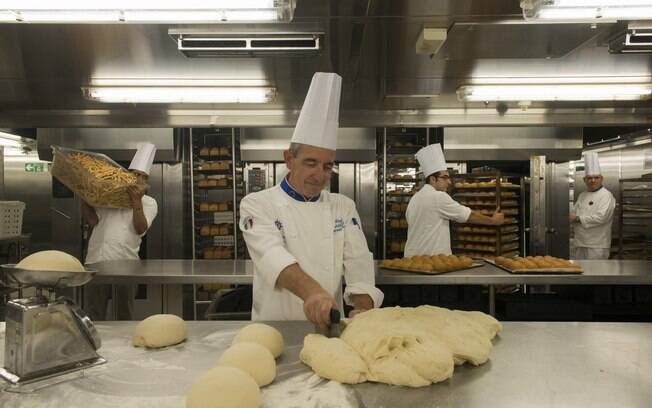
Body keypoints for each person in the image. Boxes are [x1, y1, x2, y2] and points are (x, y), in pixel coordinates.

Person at [239, 72, 383, 328]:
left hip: (328, 327)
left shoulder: (342, 206)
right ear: (288, 159)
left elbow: (358, 261)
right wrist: (313, 293)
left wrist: (363, 306)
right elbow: (272, 256)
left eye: (327, 166)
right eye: (310, 163)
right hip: (274, 329)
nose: (320, 175)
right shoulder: (257, 204)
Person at [82, 143, 158, 320]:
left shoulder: (149, 202)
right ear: (125, 175)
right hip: (96, 260)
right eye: (134, 174)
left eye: (142, 176)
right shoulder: (108, 195)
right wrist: (83, 198)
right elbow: (93, 221)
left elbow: (140, 229)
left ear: (146, 182)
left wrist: (136, 201)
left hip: (126, 263)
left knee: (124, 314)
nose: (137, 178)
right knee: (94, 314)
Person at [404, 144, 505, 257]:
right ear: (433, 179)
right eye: (445, 177)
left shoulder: (415, 199)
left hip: (411, 260)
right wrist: (493, 221)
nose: (449, 182)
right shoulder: (438, 197)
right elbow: (468, 215)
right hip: (432, 259)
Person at [569, 151, 615, 260]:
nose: (592, 180)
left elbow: (602, 217)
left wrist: (578, 218)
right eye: (589, 178)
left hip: (597, 245)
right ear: (584, 180)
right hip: (580, 242)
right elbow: (573, 213)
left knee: (595, 274)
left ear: (601, 179)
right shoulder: (582, 195)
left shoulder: (606, 195)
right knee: (581, 272)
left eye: (596, 177)